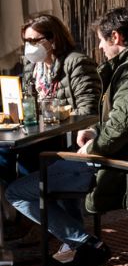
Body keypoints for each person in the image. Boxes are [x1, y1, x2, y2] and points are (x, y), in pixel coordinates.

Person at [3, 8, 128, 266]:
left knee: (16, 191)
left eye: (101, 40)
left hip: (116, 169)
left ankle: (83, 242)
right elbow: (125, 120)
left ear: (116, 37)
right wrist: (96, 130)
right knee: (40, 165)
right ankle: (76, 243)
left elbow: (120, 127)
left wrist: (92, 148)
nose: (99, 46)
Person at [1, 14, 101, 182]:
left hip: (63, 135)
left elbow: (88, 109)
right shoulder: (31, 65)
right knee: (3, 152)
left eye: (34, 41)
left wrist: (57, 117)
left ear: (53, 39)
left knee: (25, 156)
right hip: (35, 132)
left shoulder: (76, 63)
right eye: (26, 41)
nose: (29, 46)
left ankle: (24, 197)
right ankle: (15, 200)